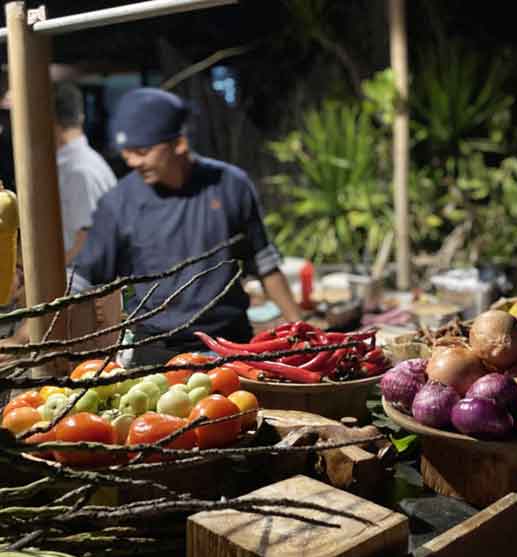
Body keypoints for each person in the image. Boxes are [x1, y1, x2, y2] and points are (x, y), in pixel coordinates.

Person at [68, 87, 301, 365]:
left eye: (142, 152)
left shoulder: (230, 185)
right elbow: (81, 281)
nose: (132, 162)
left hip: (230, 346)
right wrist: (32, 336)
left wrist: (303, 330)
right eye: (127, 153)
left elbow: (265, 264)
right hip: (155, 352)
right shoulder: (118, 203)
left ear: (179, 144)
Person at [0, 82, 118, 354]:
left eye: (15, 116)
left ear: (42, 117)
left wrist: (23, 336)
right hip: (62, 309)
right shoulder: (69, 166)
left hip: (77, 315)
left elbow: (86, 249)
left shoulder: (80, 171)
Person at [53, 82, 117, 263]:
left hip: (79, 285)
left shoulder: (78, 171)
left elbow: (88, 243)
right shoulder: (80, 164)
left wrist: (41, 284)